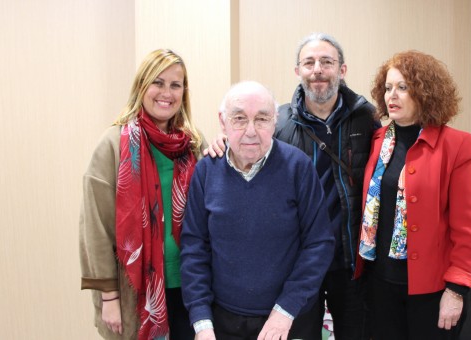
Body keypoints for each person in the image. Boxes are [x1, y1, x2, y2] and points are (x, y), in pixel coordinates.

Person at [205, 33, 377, 339]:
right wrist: (224, 141)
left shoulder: (367, 119)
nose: (317, 70)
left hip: (350, 260)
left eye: (327, 62)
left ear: (343, 69)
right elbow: (250, 149)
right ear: (297, 71)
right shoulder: (278, 122)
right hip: (298, 263)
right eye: (309, 62)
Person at [181, 81, 335, 340]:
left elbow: (319, 244)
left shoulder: (298, 167)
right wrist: (201, 322)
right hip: (223, 322)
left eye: (262, 119)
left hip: (290, 319)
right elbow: (194, 248)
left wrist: (285, 311)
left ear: (275, 121)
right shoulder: (207, 170)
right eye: (239, 119)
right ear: (223, 121)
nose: (251, 131)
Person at [354, 50, 471, 339]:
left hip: (432, 291)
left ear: (426, 93)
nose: (393, 95)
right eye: (388, 88)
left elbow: (468, 229)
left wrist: (457, 291)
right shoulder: (378, 141)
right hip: (380, 285)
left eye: (403, 87)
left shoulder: (459, 146)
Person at [79, 49, 206, 340]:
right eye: (158, 82)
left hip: (189, 288)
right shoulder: (113, 144)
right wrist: (109, 298)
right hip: (133, 292)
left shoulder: (193, 143)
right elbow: (95, 227)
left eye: (176, 85)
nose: (167, 93)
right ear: (141, 85)